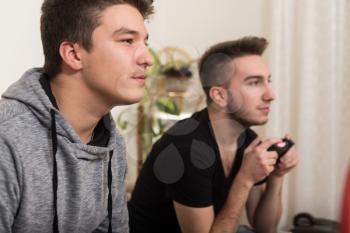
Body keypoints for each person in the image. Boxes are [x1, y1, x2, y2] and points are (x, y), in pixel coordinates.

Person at [0, 0, 154, 232]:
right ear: (73, 54)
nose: (147, 58)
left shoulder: (112, 145)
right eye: (127, 41)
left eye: (144, 42)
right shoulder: (7, 138)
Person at [128, 37, 299, 233]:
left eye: (267, 81)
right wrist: (244, 179)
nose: (271, 95)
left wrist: (278, 174)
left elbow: (265, 227)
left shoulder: (249, 140)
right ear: (219, 96)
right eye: (254, 83)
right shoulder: (185, 149)